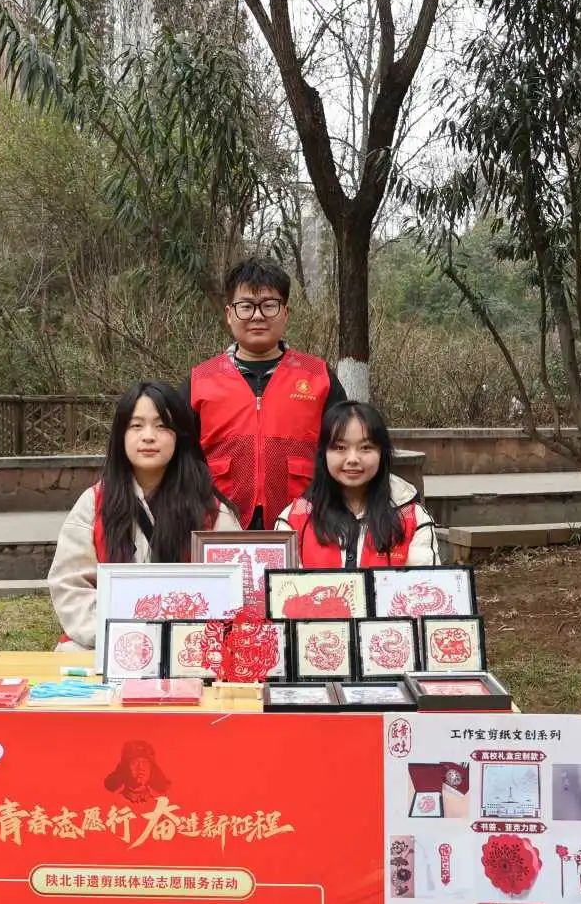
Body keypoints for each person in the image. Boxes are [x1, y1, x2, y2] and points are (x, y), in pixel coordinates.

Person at [48, 381, 241, 651]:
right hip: (110, 642)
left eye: (161, 426)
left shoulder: (212, 511)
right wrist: (115, 636)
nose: (148, 436)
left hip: (189, 647)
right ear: (121, 435)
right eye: (136, 425)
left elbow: (233, 589)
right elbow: (70, 585)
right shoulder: (94, 503)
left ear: (180, 435)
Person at [184, 257, 347, 530]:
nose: (258, 316)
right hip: (218, 524)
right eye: (246, 306)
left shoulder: (318, 376)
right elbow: (181, 456)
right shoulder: (201, 379)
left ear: (285, 313)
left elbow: (343, 446)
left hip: (305, 521)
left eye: (269, 305)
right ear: (229, 314)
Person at [276, 401, 439, 567]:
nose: (353, 459)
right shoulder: (294, 520)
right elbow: (283, 583)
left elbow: (424, 581)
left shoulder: (413, 518)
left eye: (366, 447)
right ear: (323, 454)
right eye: (340, 448)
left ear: (382, 453)